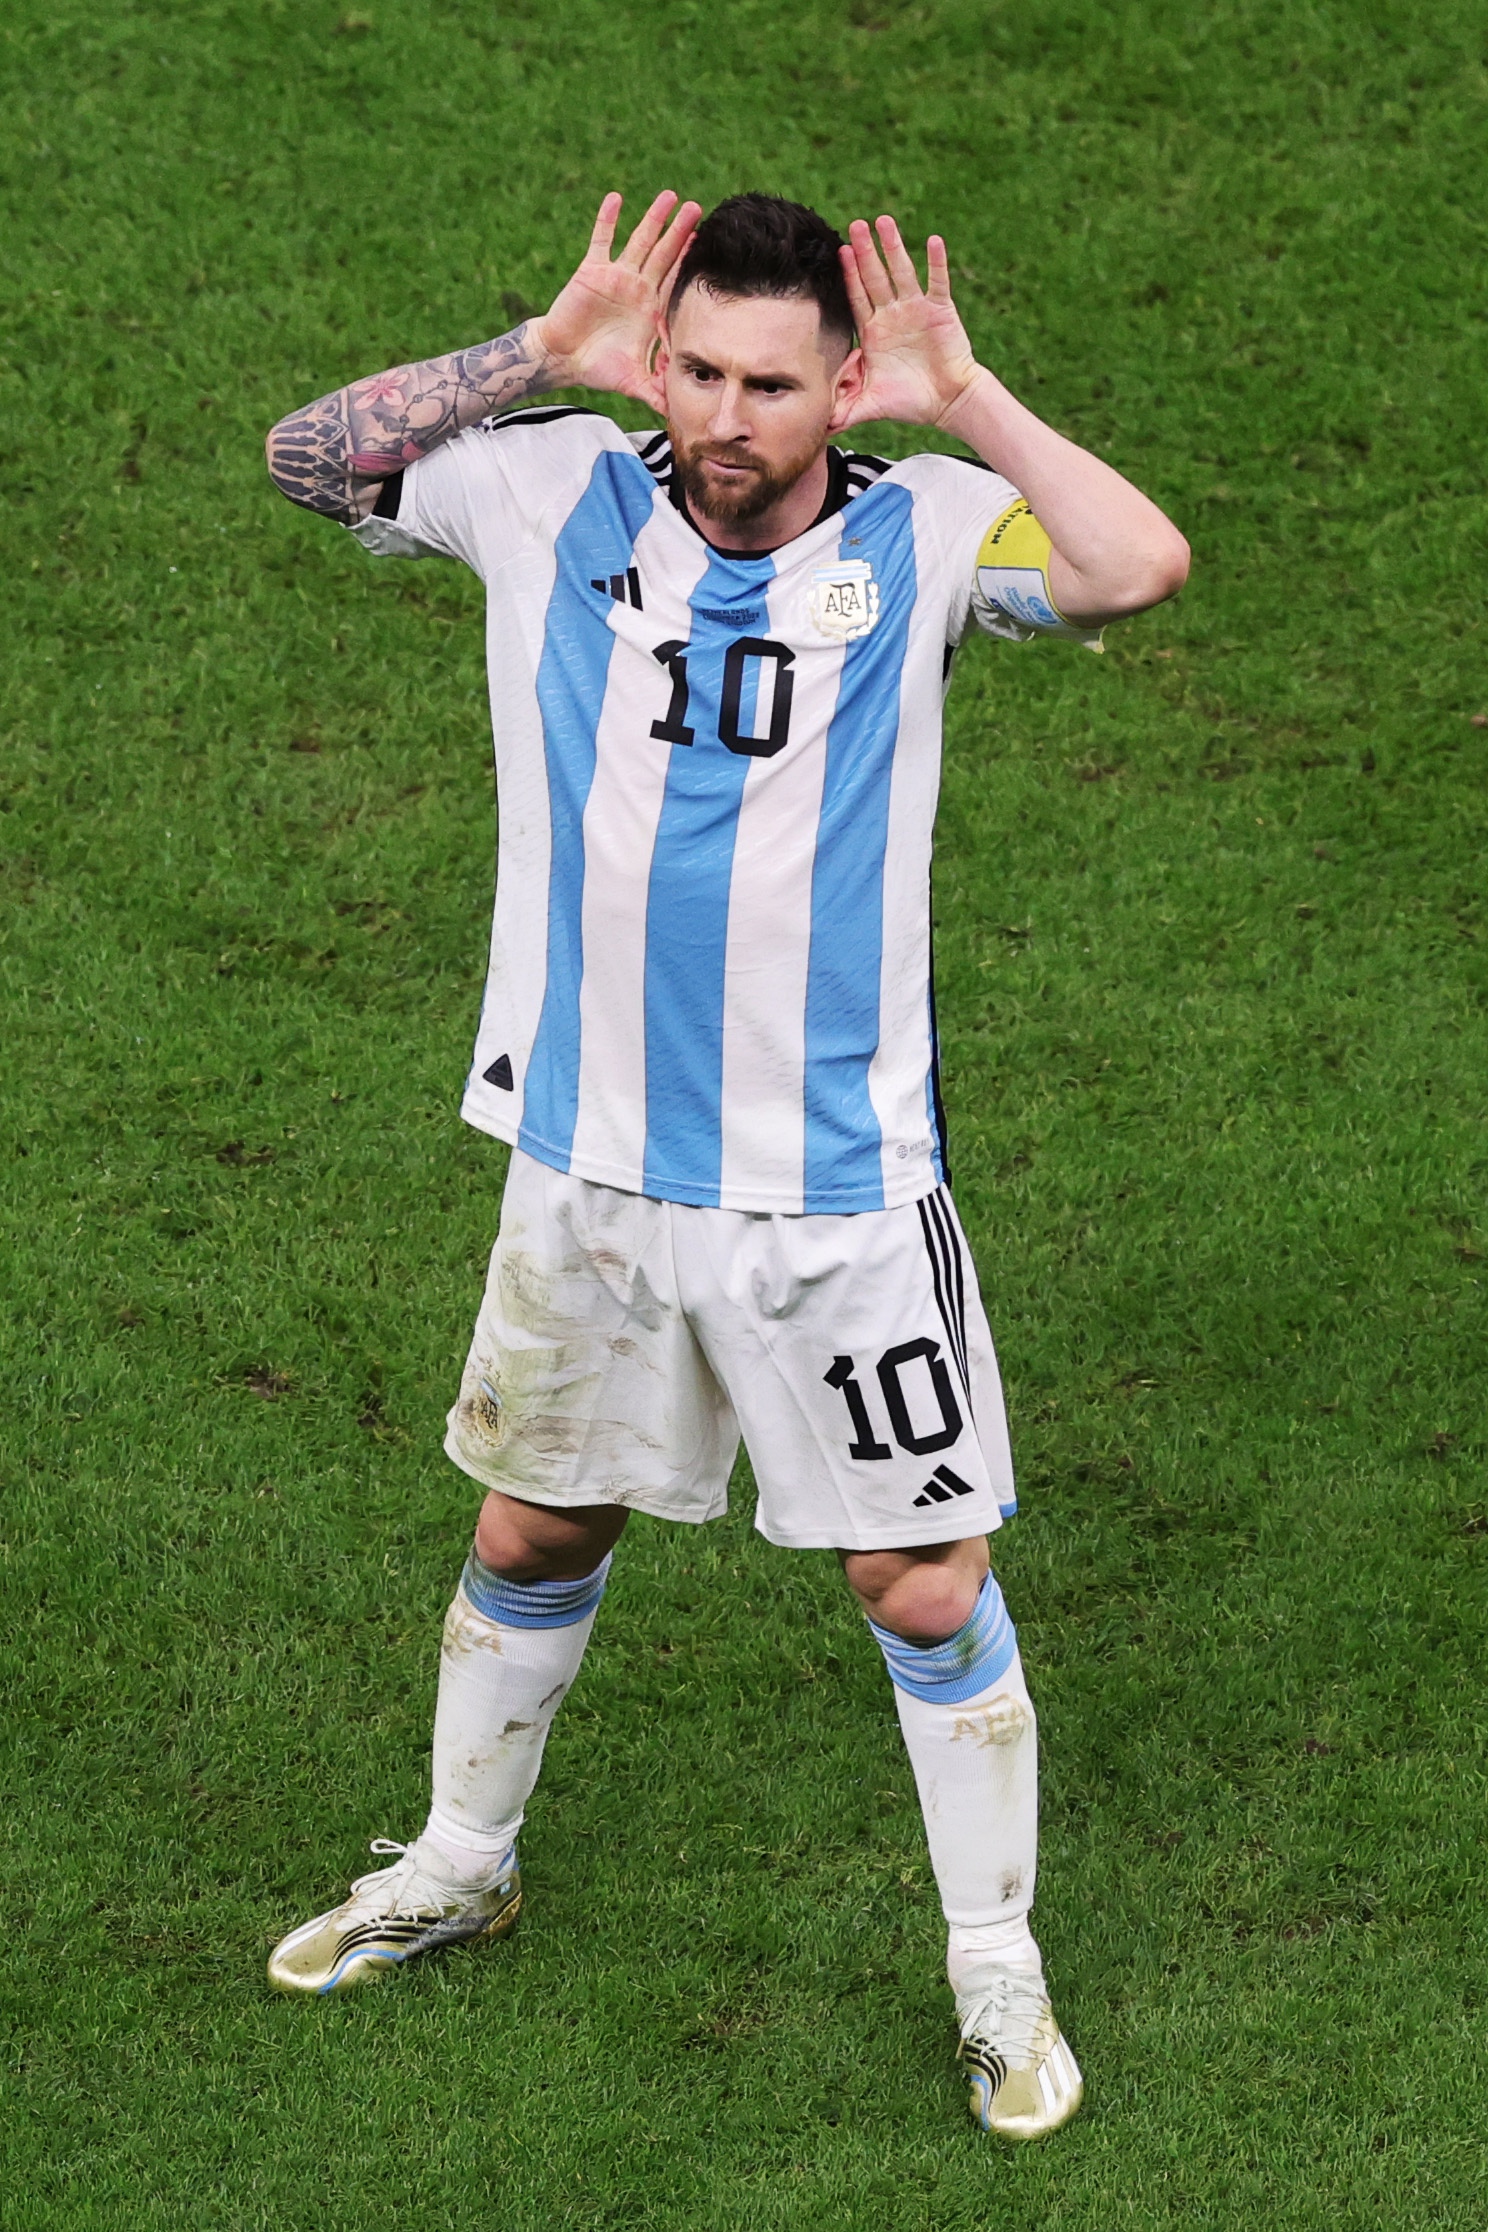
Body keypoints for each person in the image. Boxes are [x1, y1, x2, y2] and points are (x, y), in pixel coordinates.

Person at [261, 189, 1188, 2140]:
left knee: (919, 1587)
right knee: (535, 1530)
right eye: (696, 372)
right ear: (658, 363)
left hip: (836, 1194)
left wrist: (971, 400)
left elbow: (1136, 566)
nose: (726, 418)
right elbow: (306, 460)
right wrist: (536, 356)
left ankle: (994, 1966)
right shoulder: (546, 488)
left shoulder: (925, 534)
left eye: (773, 384)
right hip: (587, 1169)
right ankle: (461, 1861)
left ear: (843, 386)